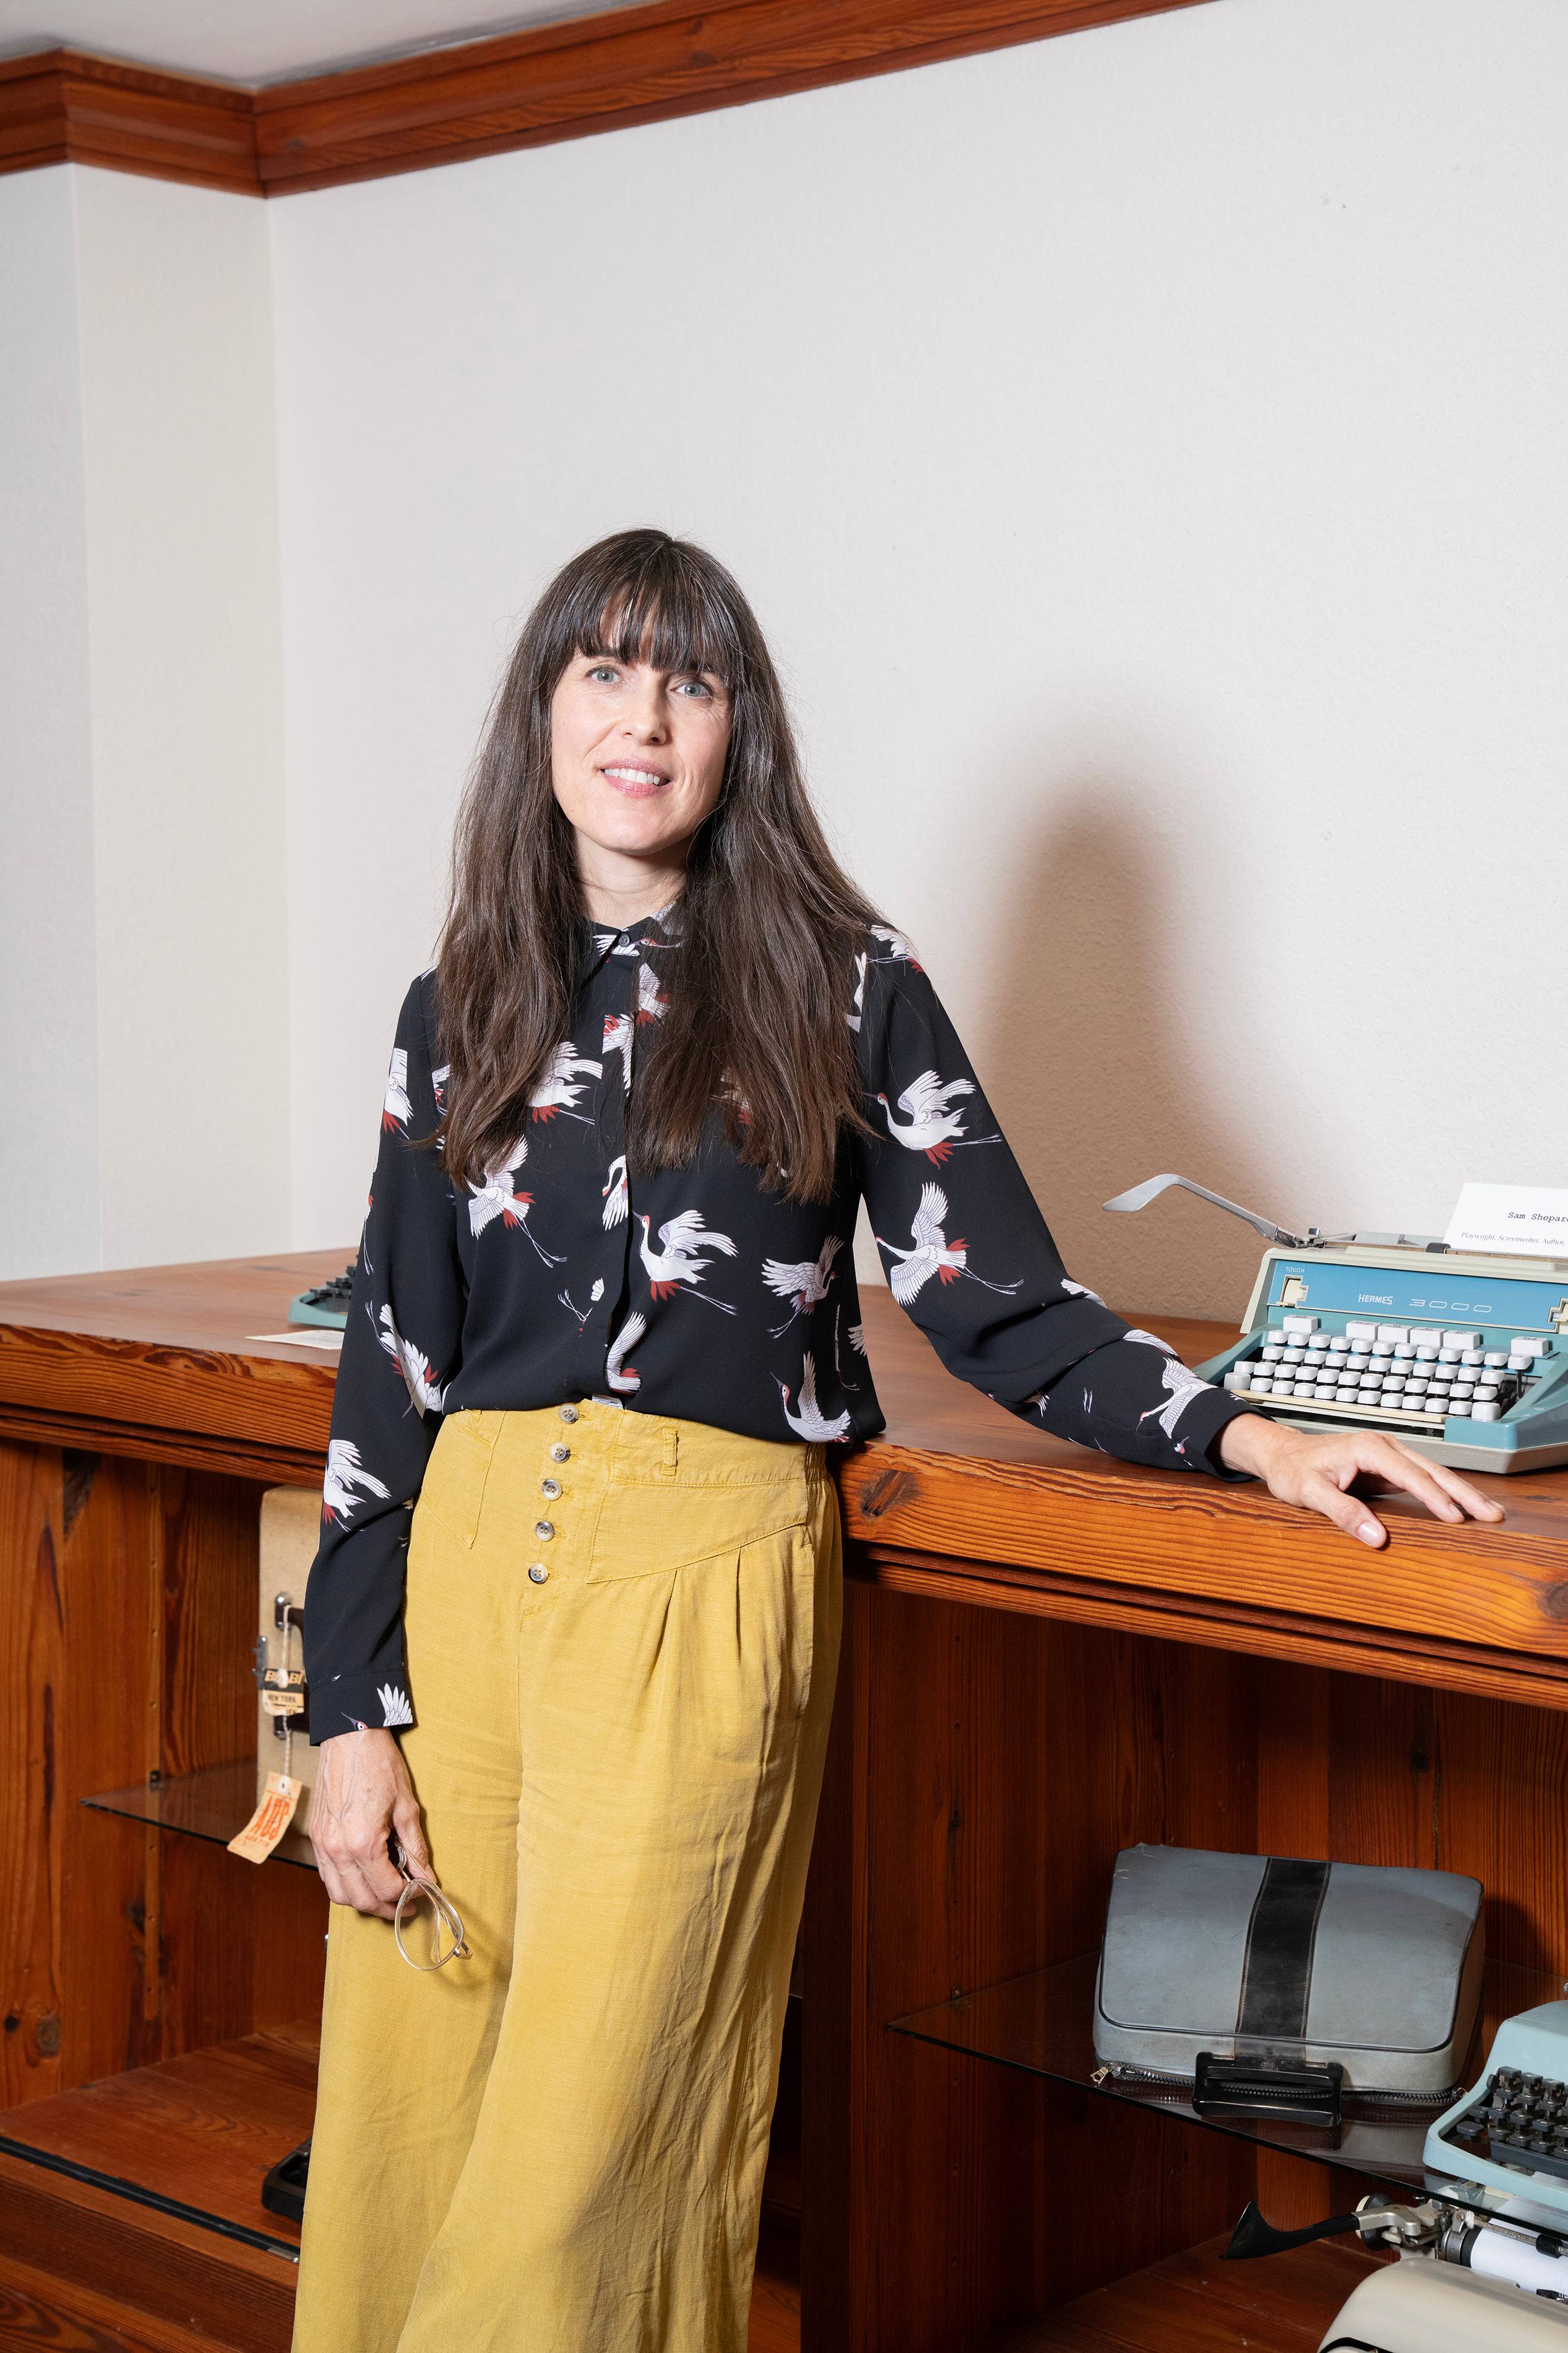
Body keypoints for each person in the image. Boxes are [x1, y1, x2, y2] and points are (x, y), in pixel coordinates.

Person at [291, 528, 1502, 2353]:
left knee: (578, 2175)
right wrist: (346, 1716)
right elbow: (391, 1366)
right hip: (460, 1584)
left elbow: (995, 1296)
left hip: (696, 1589)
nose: (646, 716)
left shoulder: (841, 984)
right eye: (605, 671)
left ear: (740, 730)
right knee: (405, 2124)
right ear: (539, 715)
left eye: (692, 680)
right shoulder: (453, 1007)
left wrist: (1249, 1434)